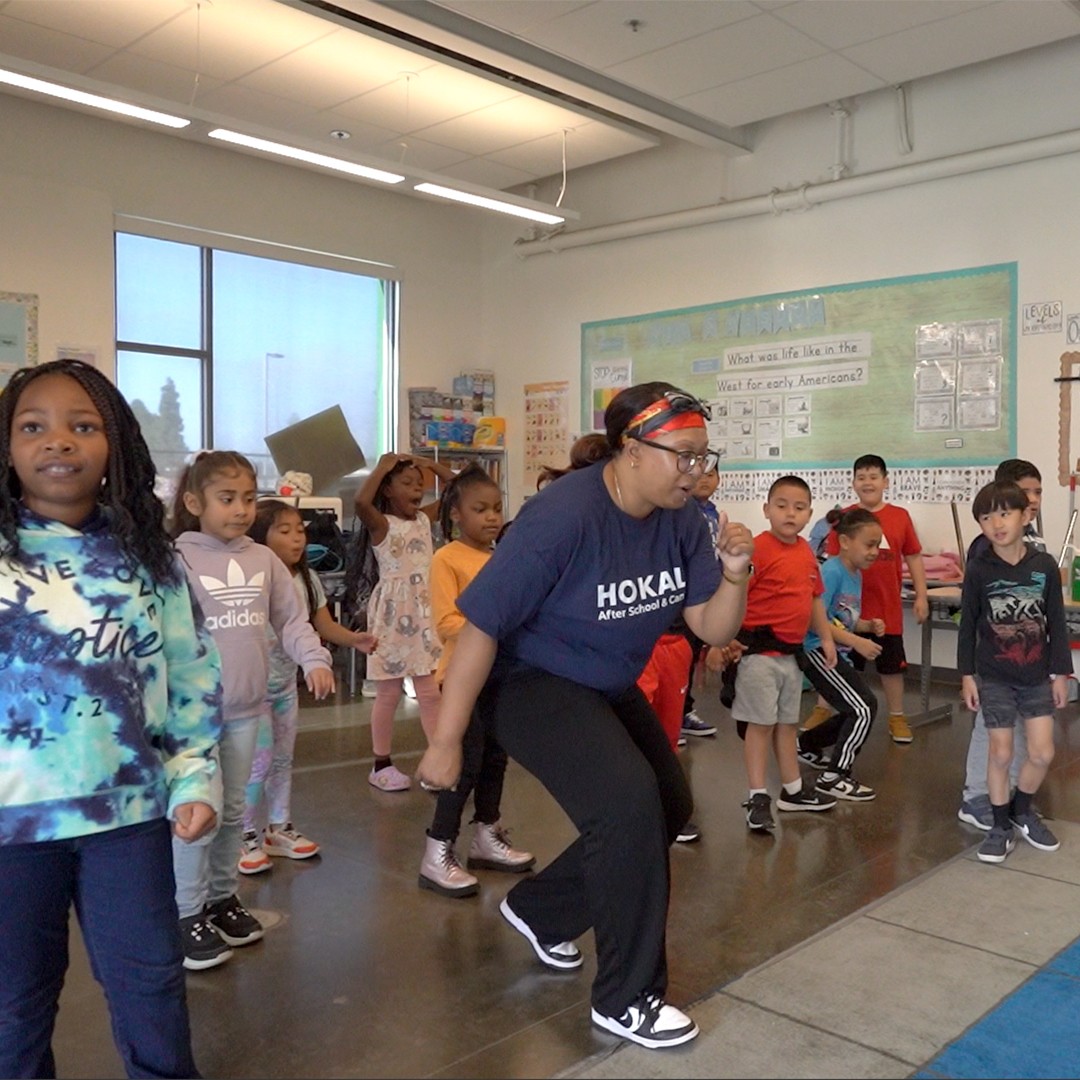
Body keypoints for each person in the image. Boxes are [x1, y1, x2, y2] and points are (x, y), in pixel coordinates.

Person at [416, 382, 754, 1050]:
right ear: (631, 449)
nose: (696, 470)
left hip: (602, 676)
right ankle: (626, 999)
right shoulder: (562, 518)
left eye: (703, 456)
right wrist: (447, 739)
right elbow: (481, 627)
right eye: (682, 456)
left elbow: (710, 627)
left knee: (669, 803)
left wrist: (736, 573)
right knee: (627, 806)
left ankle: (541, 910)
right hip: (529, 681)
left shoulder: (684, 519)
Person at [0, 359, 222, 1078]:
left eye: (82, 426)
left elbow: (191, 678)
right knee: (13, 1005)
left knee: (151, 988)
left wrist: (195, 778)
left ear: (115, 446)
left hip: (126, 819)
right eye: (33, 427)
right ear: (6, 446)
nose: (57, 441)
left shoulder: (150, 561)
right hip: (12, 829)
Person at [170, 451, 335, 969]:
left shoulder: (263, 560)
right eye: (226, 498)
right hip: (194, 718)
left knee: (235, 812)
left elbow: (292, 618)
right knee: (199, 814)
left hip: (247, 711)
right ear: (195, 502)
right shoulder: (177, 559)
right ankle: (184, 912)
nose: (240, 509)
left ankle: (221, 898)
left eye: (246, 498)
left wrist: (313, 656)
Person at [238, 499, 377, 876]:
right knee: (257, 763)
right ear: (258, 537)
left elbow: (320, 624)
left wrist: (353, 640)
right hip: (251, 691)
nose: (297, 538)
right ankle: (242, 832)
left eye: (299, 529)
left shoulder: (306, 578)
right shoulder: (250, 577)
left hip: (285, 687)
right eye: (284, 531)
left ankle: (277, 827)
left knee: (283, 759)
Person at [419, 466, 535, 896]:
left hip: (499, 676)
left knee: (494, 760)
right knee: (462, 764)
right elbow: (447, 622)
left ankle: (486, 834)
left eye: (497, 508)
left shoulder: (499, 556)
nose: (491, 517)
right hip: (461, 678)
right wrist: (493, 623)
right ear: (454, 515)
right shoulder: (446, 559)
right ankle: (437, 850)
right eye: (479, 509)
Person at [958, 480, 1069, 863]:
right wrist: (967, 675)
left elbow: (1056, 620)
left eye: (1004, 513)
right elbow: (967, 625)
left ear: (1025, 515)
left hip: (1037, 676)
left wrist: (1061, 673)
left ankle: (1022, 811)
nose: (996, 524)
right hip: (995, 677)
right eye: (986, 517)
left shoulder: (1044, 566)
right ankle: (999, 825)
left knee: (1041, 752)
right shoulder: (978, 569)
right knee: (1001, 753)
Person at [724, 475, 838, 832]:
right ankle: (758, 794)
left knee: (787, 725)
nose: (790, 513)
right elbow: (734, 595)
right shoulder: (757, 549)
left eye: (799, 507)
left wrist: (828, 638)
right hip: (758, 655)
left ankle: (792, 790)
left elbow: (815, 597)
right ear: (767, 509)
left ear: (809, 514)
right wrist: (724, 639)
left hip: (792, 657)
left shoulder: (806, 551)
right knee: (760, 726)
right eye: (782, 505)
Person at [353, 452, 456, 791]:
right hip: (393, 615)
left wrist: (427, 464)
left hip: (424, 612)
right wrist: (383, 466)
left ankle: (437, 760)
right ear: (387, 490)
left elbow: (456, 488)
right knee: (388, 692)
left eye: (421, 485)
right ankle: (380, 763)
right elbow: (360, 501)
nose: (417, 490)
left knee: (429, 692)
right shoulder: (382, 524)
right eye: (407, 483)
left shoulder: (424, 521)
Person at [958, 458, 1044, 829]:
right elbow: (977, 611)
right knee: (990, 730)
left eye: (1038, 492)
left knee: (1022, 728)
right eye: (1026, 492)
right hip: (991, 657)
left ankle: (1006, 794)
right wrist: (970, 669)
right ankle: (976, 795)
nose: (1034, 499)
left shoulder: (1032, 541)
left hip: (1026, 660)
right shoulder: (985, 548)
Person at [820, 454, 928, 743]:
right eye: (861, 477)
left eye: (873, 476)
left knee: (891, 668)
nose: (867, 482)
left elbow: (914, 556)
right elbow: (831, 565)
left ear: (886, 482)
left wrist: (921, 596)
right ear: (853, 483)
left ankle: (896, 717)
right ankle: (824, 711)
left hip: (887, 610)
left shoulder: (900, 516)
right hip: (847, 612)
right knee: (837, 664)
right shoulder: (845, 519)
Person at [796, 508, 883, 801]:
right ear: (845, 541)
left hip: (832, 650)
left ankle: (807, 743)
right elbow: (814, 619)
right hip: (816, 650)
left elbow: (840, 617)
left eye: (877, 545)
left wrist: (866, 626)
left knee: (854, 708)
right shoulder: (830, 572)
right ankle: (834, 777)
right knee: (863, 708)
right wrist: (856, 642)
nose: (874, 552)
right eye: (869, 545)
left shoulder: (854, 574)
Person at [680, 464, 720, 739]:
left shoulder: (713, 512)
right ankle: (671, 716)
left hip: (706, 592)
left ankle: (682, 712)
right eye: (701, 473)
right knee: (679, 658)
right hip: (684, 597)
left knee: (692, 656)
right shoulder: (683, 511)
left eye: (712, 473)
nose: (705, 479)